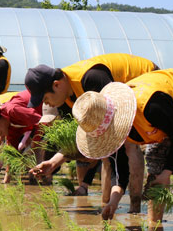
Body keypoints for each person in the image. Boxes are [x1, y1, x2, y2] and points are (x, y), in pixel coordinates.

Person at [73, 69, 173, 223]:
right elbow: (120, 170)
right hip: (165, 120)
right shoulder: (110, 127)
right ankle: (155, 227)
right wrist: (113, 202)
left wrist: (167, 172)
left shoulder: (150, 107)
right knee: (154, 161)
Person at [26, 53, 158, 210]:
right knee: (104, 152)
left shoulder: (92, 79)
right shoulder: (64, 101)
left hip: (144, 79)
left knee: (129, 143)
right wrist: (53, 163)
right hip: (121, 88)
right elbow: (85, 136)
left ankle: (134, 208)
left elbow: (115, 132)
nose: (46, 103)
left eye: (45, 98)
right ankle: (107, 205)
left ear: (56, 85)